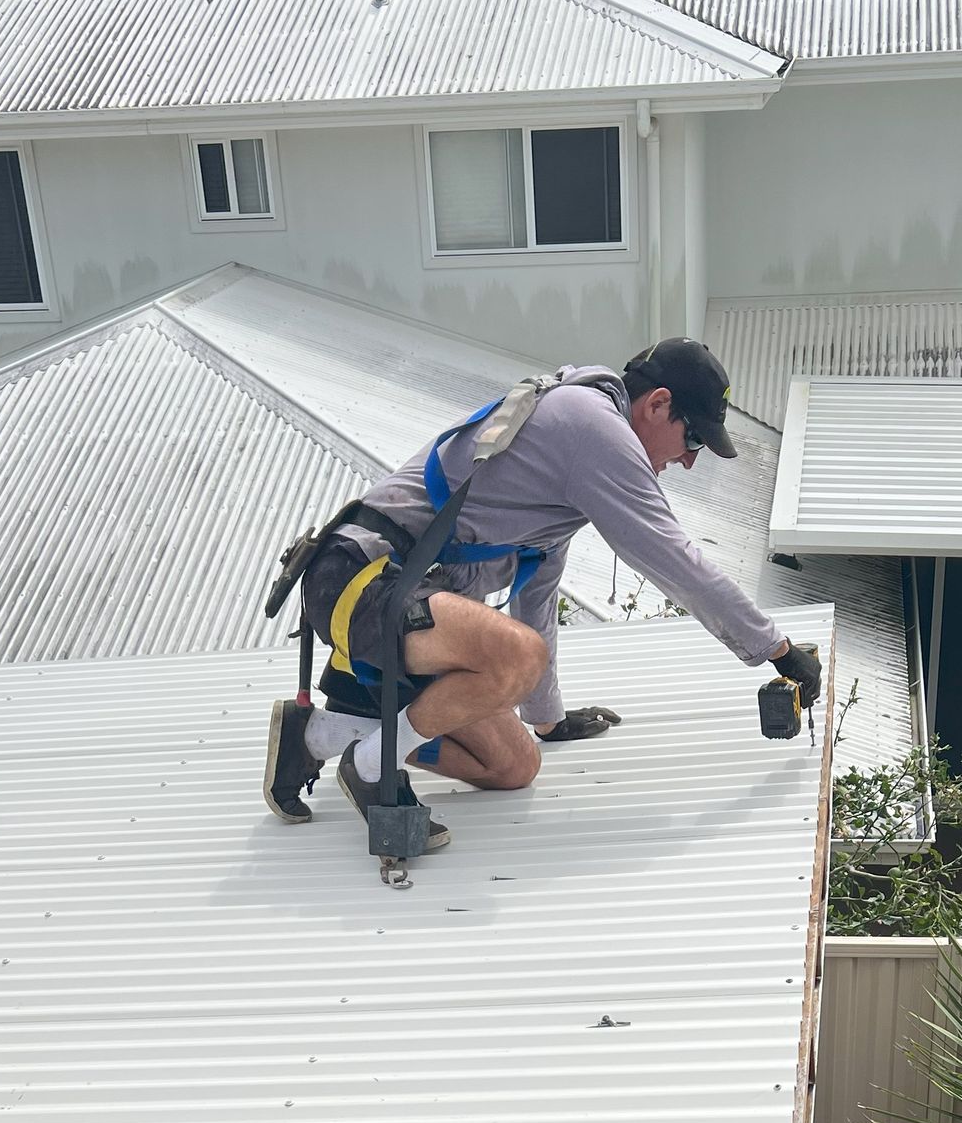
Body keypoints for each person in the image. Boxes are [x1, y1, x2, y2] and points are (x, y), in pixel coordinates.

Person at [263, 339, 824, 847]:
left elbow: (538, 595)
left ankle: (321, 734)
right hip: (360, 581)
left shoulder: (568, 464)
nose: (689, 458)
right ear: (656, 405)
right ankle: (372, 765)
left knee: (512, 766)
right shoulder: (591, 427)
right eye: (693, 437)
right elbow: (674, 559)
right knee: (518, 655)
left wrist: (548, 717)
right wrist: (776, 649)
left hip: (406, 608)